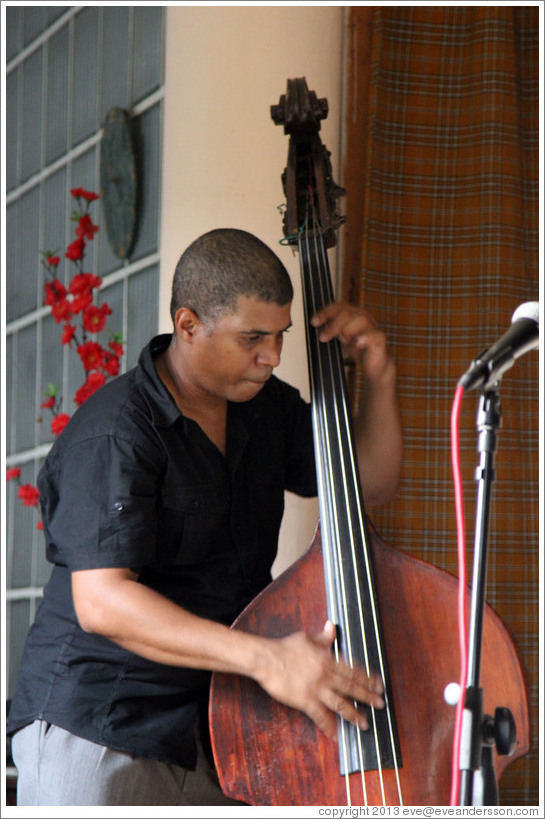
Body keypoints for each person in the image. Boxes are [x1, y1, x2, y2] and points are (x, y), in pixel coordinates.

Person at [7, 228, 403, 806]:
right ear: (188, 326)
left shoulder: (265, 409)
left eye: (279, 336)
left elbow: (370, 483)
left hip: (215, 725)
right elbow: (101, 602)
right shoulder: (117, 430)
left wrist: (381, 377)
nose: (272, 356)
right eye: (252, 338)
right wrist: (269, 658)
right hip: (102, 722)